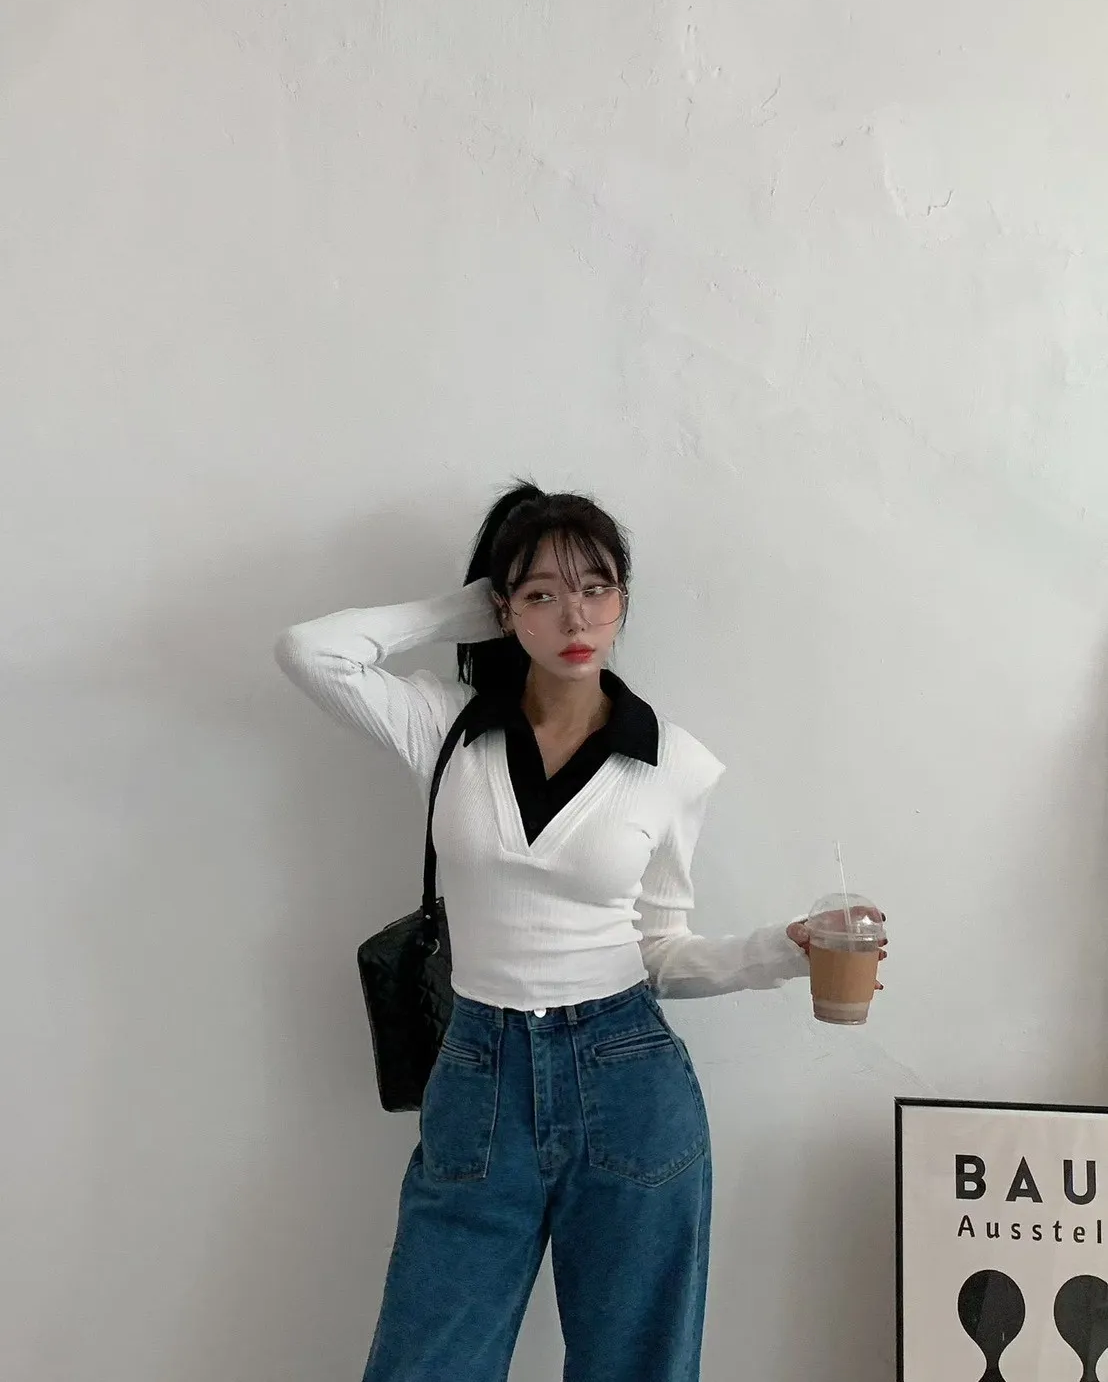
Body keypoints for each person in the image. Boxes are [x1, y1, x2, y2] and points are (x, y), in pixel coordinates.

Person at [274, 481, 885, 1382]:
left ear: (624, 600)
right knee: (422, 1363)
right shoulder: (446, 726)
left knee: (636, 1367)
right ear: (502, 610)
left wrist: (780, 951)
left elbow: (660, 949)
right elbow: (309, 651)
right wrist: (460, 609)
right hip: (477, 1076)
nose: (575, 616)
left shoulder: (673, 762)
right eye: (542, 594)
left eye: (597, 588)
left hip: (626, 1074)